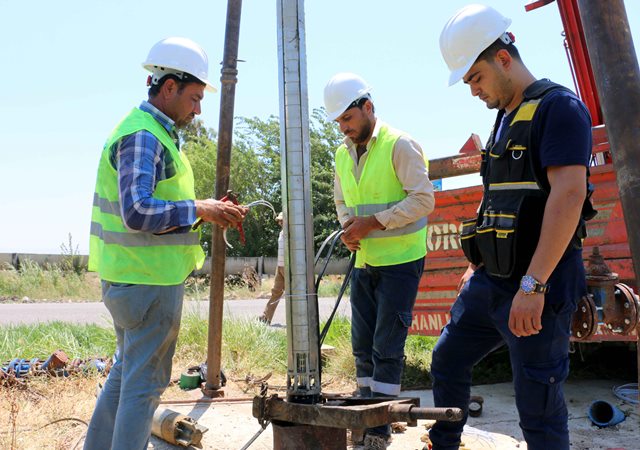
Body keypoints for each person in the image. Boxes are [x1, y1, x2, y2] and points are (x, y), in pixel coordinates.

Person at [430, 5, 594, 450]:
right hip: (491, 282)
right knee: (446, 361)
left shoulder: (559, 109)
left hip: (539, 283)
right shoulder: (505, 116)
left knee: (537, 406)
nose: (473, 91)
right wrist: (475, 263)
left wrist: (533, 286)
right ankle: (445, 443)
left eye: (476, 78)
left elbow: (569, 197)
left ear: (503, 58)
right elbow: (498, 195)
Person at [84, 37, 247, 450]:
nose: (198, 108)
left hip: (134, 279)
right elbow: (137, 211)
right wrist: (199, 209)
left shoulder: (152, 132)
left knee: (126, 377)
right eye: (194, 97)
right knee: (144, 387)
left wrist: (202, 208)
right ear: (169, 86)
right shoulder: (144, 136)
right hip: (146, 283)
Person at [324, 72, 435, 449]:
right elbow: (342, 201)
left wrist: (373, 223)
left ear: (368, 107)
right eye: (338, 121)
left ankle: (379, 430)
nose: (344, 127)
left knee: (386, 348)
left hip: (400, 262)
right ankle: (367, 416)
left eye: (348, 119)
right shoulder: (342, 153)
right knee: (362, 346)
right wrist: (349, 227)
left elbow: (423, 199)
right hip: (365, 261)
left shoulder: (399, 144)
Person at [259, 212, 285, 324]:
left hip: (288, 267)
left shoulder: (291, 233)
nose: (280, 222)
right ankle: (266, 317)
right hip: (280, 266)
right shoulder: (281, 233)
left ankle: (298, 319)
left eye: (282, 220)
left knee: (294, 294)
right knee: (275, 292)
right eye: (279, 221)